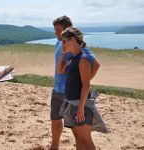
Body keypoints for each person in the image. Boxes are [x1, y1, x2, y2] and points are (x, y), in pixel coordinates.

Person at [49, 16, 100, 150]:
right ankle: (54, 146)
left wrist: (83, 82)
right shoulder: (59, 43)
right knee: (55, 118)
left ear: (68, 31)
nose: (55, 33)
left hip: (73, 95)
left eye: (58, 30)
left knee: (77, 130)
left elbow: (95, 64)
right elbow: (59, 70)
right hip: (58, 89)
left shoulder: (81, 52)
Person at [57, 27, 108, 150]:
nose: (62, 44)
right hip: (71, 103)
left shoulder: (83, 59)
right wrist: (63, 54)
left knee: (86, 140)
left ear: (73, 40)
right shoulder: (72, 58)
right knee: (79, 139)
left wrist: (80, 109)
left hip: (80, 105)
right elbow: (60, 70)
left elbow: (86, 86)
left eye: (64, 41)